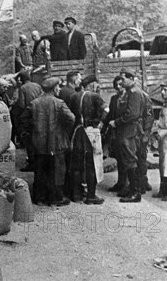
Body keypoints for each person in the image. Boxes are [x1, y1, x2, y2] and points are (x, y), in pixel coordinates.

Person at [23, 77, 75, 206]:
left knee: (40, 170)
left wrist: (34, 130)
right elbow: (71, 118)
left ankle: (39, 198)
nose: (59, 89)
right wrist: (63, 130)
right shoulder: (59, 103)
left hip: (39, 143)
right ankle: (55, 199)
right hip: (56, 143)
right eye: (58, 86)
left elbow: (23, 119)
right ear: (54, 88)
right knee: (57, 171)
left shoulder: (34, 103)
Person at [109, 70, 148, 203]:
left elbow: (133, 114)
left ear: (132, 79)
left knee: (130, 160)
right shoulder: (131, 92)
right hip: (126, 131)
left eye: (124, 79)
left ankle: (135, 192)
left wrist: (117, 122)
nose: (122, 82)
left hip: (129, 132)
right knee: (128, 160)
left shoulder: (134, 93)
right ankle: (132, 190)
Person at [68, 75, 108, 204]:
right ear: (91, 85)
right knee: (92, 163)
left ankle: (76, 195)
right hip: (91, 132)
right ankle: (91, 196)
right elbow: (106, 110)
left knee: (77, 165)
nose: (98, 86)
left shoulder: (73, 96)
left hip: (77, 132)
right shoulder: (95, 96)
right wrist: (100, 123)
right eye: (96, 84)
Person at [13, 70, 43, 171]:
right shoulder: (37, 86)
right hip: (38, 114)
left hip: (28, 115)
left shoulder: (22, 88)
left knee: (29, 141)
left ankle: (32, 163)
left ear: (21, 79)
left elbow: (21, 104)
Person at [103, 75, 127, 193]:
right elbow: (110, 115)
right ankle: (120, 182)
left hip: (125, 132)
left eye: (120, 84)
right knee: (118, 158)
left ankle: (126, 185)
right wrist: (103, 123)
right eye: (116, 85)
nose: (118, 87)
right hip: (116, 133)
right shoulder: (113, 99)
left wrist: (117, 123)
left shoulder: (129, 97)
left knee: (125, 159)